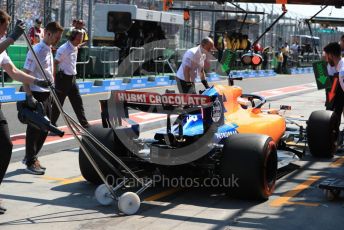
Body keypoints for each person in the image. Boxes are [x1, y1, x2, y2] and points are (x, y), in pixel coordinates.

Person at [0, 10, 50, 214]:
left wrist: (36, 80)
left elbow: (13, 72)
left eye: (5, 29)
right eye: (3, 27)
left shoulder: (2, 48)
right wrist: (12, 36)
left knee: (5, 146)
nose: (4, 31)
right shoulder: (3, 43)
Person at [22, 21, 64, 175]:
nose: (58, 41)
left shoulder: (48, 49)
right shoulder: (37, 50)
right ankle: (30, 161)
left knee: (45, 128)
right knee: (35, 128)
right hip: (36, 92)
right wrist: (29, 96)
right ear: (48, 33)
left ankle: (31, 157)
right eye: (56, 37)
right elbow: (25, 73)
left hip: (47, 92)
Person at [50, 29, 90, 129]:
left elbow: (81, 44)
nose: (81, 39)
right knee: (58, 104)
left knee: (78, 102)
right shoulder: (63, 49)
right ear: (73, 37)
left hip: (72, 78)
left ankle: (84, 124)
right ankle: (51, 124)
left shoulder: (75, 46)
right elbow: (54, 63)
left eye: (82, 37)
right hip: (63, 79)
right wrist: (53, 78)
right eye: (79, 37)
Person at [323, 42, 344, 123]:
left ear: (331, 55)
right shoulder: (340, 67)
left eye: (327, 56)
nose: (326, 59)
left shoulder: (342, 72)